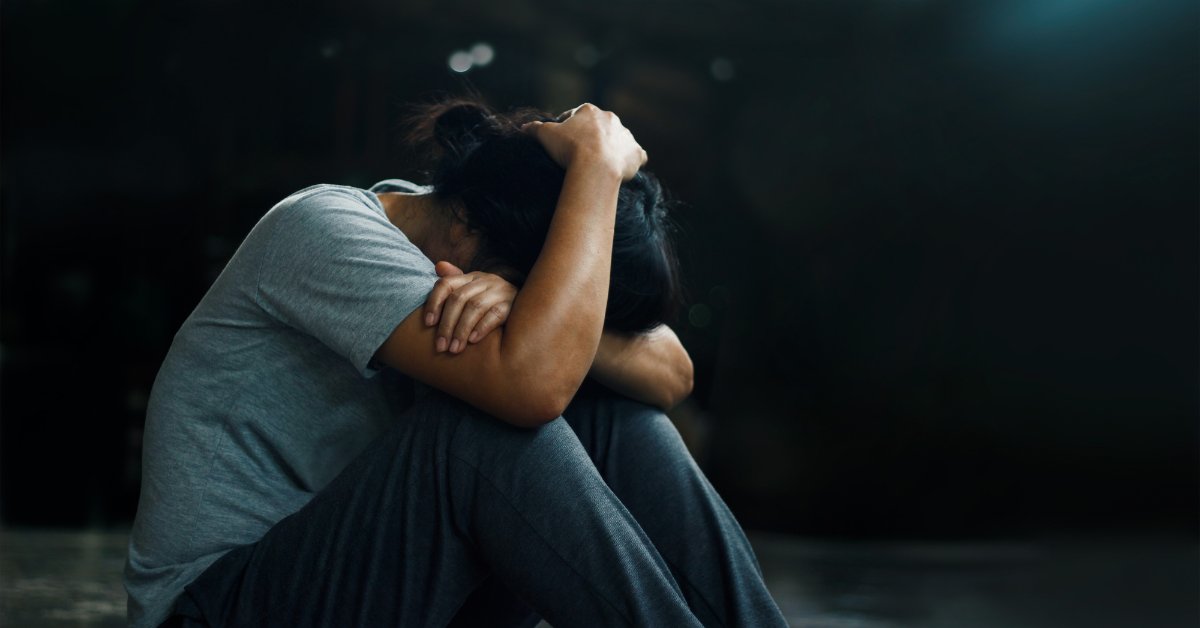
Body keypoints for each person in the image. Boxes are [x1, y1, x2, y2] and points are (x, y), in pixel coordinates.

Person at [124, 98, 788, 627]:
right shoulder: (322, 230)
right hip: (225, 605)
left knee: (613, 410)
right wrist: (594, 166)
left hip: (397, 593)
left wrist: (531, 301)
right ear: (465, 224)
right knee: (481, 431)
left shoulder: (471, 226)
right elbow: (532, 385)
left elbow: (672, 372)